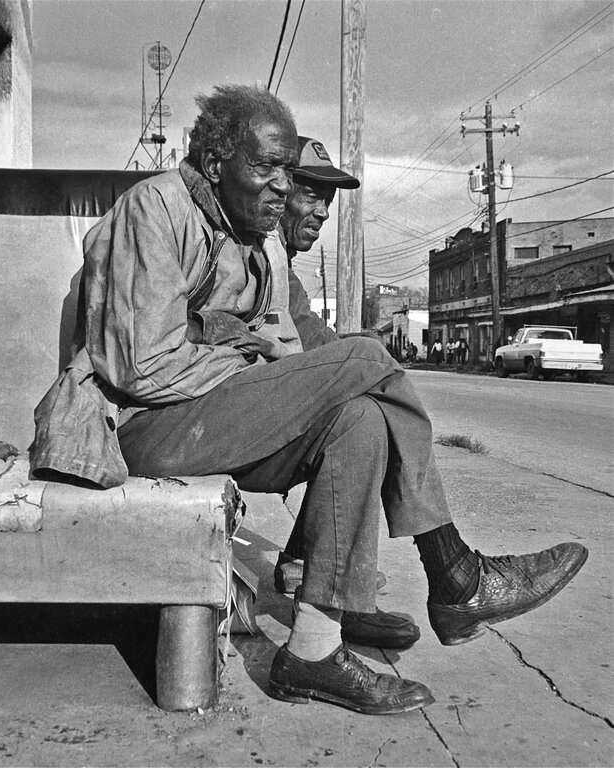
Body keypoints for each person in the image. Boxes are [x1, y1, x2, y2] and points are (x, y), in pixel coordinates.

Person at [31, 85, 588, 716]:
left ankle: (315, 650)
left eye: (283, 173)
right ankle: (456, 572)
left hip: (203, 417)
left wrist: (259, 353)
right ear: (215, 164)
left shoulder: (254, 243)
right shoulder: (153, 212)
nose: (279, 187)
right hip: (133, 428)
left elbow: (290, 345)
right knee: (367, 359)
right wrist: (247, 345)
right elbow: (141, 366)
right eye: (264, 169)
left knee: (360, 418)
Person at [271, 135, 420, 652]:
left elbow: (311, 334)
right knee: (365, 392)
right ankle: (450, 564)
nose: (321, 212)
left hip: (258, 405)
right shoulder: (260, 253)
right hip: (221, 416)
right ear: (276, 188)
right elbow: (303, 347)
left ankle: (318, 575)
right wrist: (359, 358)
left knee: (361, 409)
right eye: (309, 195)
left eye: (327, 202)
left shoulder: (282, 266)